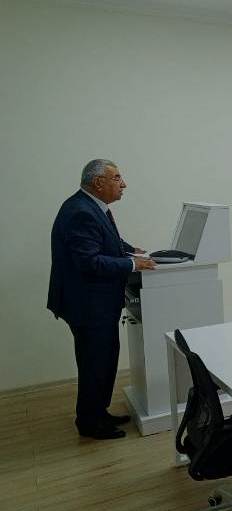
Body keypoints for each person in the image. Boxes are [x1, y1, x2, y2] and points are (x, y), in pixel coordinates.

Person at [48, 159, 156, 440]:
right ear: (98, 183)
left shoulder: (91, 207)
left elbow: (106, 241)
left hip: (96, 304)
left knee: (103, 360)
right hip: (88, 305)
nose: (124, 184)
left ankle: (98, 413)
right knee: (94, 363)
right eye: (117, 178)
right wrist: (132, 264)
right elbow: (89, 261)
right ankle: (89, 423)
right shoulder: (81, 212)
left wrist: (131, 250)